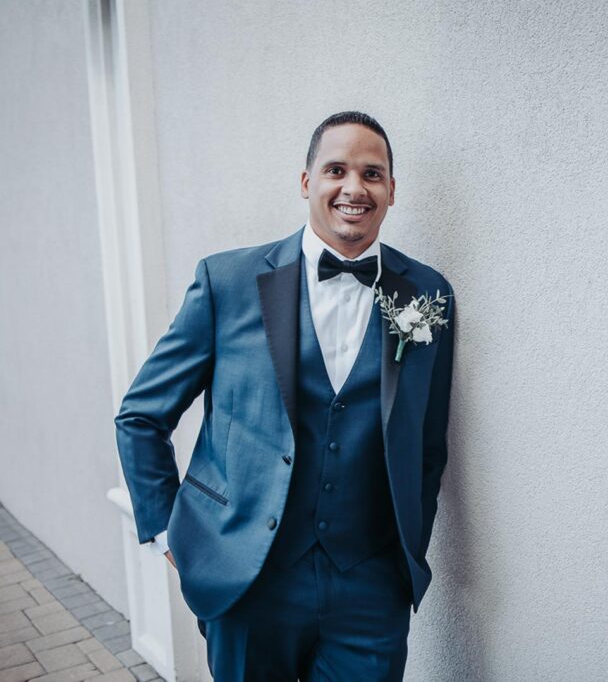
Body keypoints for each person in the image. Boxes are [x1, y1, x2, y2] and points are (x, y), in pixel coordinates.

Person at [114, 111, 455, 680]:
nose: (354, 188)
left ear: (392, 190)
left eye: (373, 174)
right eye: (336, 170)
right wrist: (167, 535)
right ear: (306, 182)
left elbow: (427, 441)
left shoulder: (426, 293)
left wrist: (406, 553)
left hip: (371, 586)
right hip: (247, 579)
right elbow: (142, 416)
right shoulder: (227, 282)